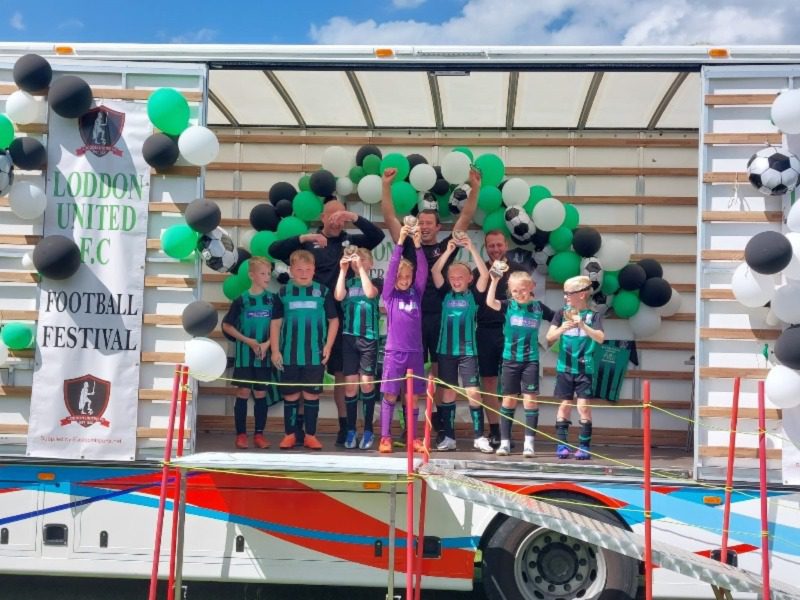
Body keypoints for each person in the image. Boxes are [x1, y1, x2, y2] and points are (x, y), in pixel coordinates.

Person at [269, 198, 385, 446]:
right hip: (309, 319)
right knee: (301, 374)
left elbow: (376, 237)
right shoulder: (311, 242)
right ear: (321, 217)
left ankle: (346, 427)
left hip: (343, 319)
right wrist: (304, 239)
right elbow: (274, 250)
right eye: (331, 215)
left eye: (340, 216)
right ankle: (297, 429)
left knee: (343, 376)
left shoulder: (350, 241)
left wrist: (353, 217)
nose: (336, 220)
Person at [381, 166, 480, 441]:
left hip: (438, 319)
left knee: (436, 376)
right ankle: (404, 427)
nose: (424, 227)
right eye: (420, 222)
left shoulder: (446, 245)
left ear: (437, 227)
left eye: (429, 223)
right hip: (408, 323)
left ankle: (438, 427)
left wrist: (476, 187)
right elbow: (389, 216)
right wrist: (386, 185)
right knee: (405, 378)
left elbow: (467, 216)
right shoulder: (407, 245)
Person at [270, 250, 339, 450]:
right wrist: (275, 351)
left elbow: (334, 321)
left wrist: (328, 346)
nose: (303, 272)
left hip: (315, 354)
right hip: (289, 354)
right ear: (291, 270)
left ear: (314, 270)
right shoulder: (283, 293)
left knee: (311, 395)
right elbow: (275, 324)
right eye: (299, 269)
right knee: (290, 396)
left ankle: (310, 435)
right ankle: (290, 435)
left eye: (308, 269)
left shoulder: (323, 291)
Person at [431, 235, 491, 452]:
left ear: (469, 279)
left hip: (468, 351)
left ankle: (478, 437)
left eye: (461, 277)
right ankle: (449, 437)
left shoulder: (474, 295)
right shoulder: (445, 293)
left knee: (474, 392)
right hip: (445, 350)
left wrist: (472, 247)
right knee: (447, 393)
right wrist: (448, 250)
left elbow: (485, 274)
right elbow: (435, 272)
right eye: (453, 277)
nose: (456, 280)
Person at [486, 269, 555, 457]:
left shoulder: (539, 308)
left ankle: (529, 444)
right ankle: (505, 442)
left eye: (523, 290)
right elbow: (490, 302)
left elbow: (557, 317)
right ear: (510, 291)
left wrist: (555, 333)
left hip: (530, 360)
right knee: (508, 400)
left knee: (530, 401)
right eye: (515, 291)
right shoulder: (509, 305)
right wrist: (494, 281)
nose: (519, 294)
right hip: (510, 360)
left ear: (532, 287)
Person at [474, 229, 528, 447]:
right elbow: (477, 299)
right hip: (484, 331)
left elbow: (527, 303)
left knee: (510, 384)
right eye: (491, 246)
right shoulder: (480, 271)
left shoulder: (519, 271)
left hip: (510, 332)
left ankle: (507, 432)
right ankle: (495, 430)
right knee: (487, 381)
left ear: (505, 245)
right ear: (486, 248)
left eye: (499, 245)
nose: (495, 249)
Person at [378, 223, 428, 454]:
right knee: (390, 394)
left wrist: (417, 243)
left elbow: (424, 271)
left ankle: (413, 438)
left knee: (413, 396)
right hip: (394, 352)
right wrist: (400, 241)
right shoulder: (390, 295)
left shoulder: (416, 293)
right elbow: (390, 271)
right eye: (401, 276)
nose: (405, 279)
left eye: (408, 277)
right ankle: (385, 437)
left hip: (415, 353)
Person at [545, 275, 605, 460]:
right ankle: (562, 446)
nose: (565, 297)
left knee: (584, 407)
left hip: (585, 368)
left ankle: (584, 447)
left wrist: (583, 325)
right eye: (564, 293)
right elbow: (549, 337)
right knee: (564, 405)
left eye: (569, 293)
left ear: (582, 294)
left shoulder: (593, 316)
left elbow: (600, 338)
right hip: (565, 367)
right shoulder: (561, 313)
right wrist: (563, 327)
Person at [221, 257, 276, 449]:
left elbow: (279, 325)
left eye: (269, 273)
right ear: (251, 276)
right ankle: (241, 434)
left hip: (264, 357)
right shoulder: (241, 300)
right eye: (262, 273)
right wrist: (248, 341)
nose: (267, 277)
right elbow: (227, 325)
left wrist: (268, 344)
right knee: (243, 392)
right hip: (245, 357)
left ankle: (259, 434)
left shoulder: (272, 299)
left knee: (261, 394)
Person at [334, 247, 382, 450]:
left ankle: (369, 429)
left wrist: (361, 268)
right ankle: (351, 430)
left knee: (367, 384)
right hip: (349, 339)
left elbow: (370, 293)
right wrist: (343, 270)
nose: (357, 262)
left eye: (363, 259)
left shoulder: (375, 282)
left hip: (369, 338)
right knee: (351, 386)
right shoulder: (348, 281)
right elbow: (338, 296)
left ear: (370, 264)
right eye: (355, 259)